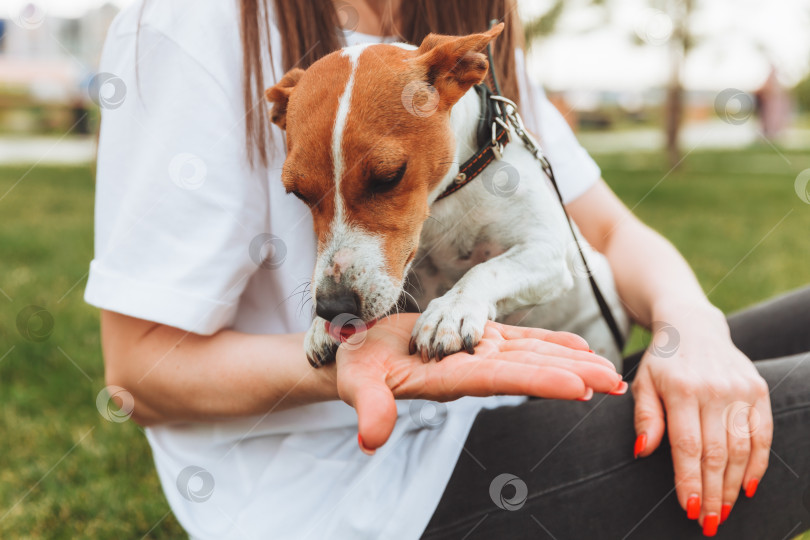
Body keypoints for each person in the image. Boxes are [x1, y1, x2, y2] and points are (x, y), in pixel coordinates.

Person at [85, 0, 810, 538]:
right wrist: (341, 364)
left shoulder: (462, 38)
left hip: (517, 389)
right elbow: (140, 370)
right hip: (368, 492)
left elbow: (612, 230)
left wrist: (695, 332)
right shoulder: (191, 25)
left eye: (385, 177)